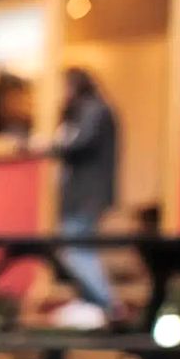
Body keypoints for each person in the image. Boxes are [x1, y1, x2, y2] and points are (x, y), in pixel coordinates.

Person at [32, 67, 119, 319]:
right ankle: (93, 303)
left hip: (85, 196)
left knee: (75, 249)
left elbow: (80, 143)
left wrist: (48, 145)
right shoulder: (88, 111)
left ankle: (104, 304)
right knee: (77, 249)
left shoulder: (93, 109)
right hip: (83, 195)